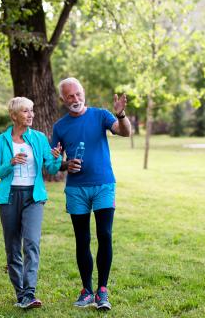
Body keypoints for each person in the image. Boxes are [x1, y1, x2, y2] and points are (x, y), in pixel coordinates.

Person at [51, 77, 131, 311]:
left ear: (83, 92)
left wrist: (121, 115)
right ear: (62, 100)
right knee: (82, 239)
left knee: (104, 234)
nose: (75, 99)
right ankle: (87, 290)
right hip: (76, 189)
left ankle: (102, 290)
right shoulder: (60, 126)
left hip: (104, 184)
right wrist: (66, 164)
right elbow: (54, 163)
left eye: (77, 94)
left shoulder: (101, 115)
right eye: (69, 96)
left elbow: (124, 132)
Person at [0, 97, 62, 309]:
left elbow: (50, 168)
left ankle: (29, 293)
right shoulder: (2, 140)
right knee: (13, 248)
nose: (31, 115)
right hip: (9, 197)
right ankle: (20, 294)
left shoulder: (39, 138)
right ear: (14, 116)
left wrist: (56, 157)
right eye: (25, 111)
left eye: (31, 111)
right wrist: (10, 163)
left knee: (31, 243)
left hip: (33, 197)